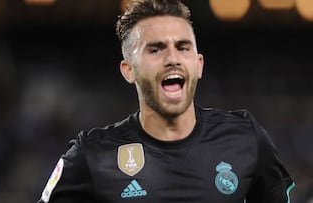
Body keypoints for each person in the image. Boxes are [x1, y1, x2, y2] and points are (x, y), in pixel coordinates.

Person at [38, 0, 295, 202]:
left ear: (199, 64)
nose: (172, 58)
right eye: (156, 49)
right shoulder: (92, 155)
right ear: (129, 70)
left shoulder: (245, 138)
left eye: (183, 47)